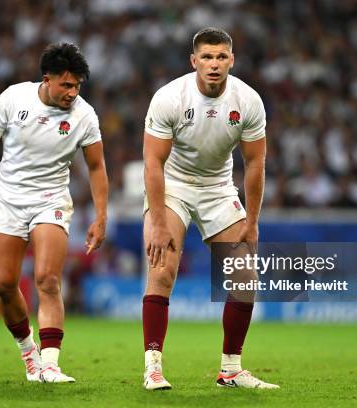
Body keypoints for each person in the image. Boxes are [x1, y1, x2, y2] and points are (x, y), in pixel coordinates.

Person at [0, 43, 108, 384]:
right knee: (5, 285)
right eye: (66, 85)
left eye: (77, 86)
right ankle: (29, 353)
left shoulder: (84, 115)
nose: (72, 92)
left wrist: (101, 217)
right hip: (8, 200)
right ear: (47, 79)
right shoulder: (14, 99)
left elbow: (97, 167)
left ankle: (52, 364)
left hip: (50, 199)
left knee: (47, 279)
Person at [141, 27, 279, 390]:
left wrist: (252, 222)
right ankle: (153, 367)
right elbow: (153, 164)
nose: (214, 64)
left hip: (218, 188)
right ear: (194, 61)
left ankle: (230, 370)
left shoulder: (247, 101)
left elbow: (255, 165)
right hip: (173, 186)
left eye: (220, 57)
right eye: (206, 57)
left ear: (231, 60)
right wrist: (157, 222)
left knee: (245, 278)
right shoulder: (170, 97)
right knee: (162, 270)